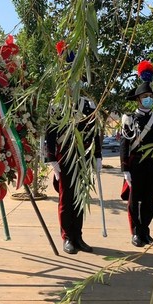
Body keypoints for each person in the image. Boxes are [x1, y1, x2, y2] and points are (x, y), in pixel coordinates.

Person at [45, 96, 103, 254]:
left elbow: (93, 131)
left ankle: (78, 236)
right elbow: (50, 132)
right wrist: (51, 158)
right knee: (66, 198)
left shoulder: (89, 104)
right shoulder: (57, 103)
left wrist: (97, 155)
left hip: (83, 157)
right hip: (65, 156)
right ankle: (67, 237)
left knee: (80, 198)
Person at [120, 61, 153, 247]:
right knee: (135, 201)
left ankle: (145, 231)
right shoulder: (129, 118)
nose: (149, 99)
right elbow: (125, 144)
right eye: (145, 97)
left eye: (150, 96)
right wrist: (125, 169)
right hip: (136, 164)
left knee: (149, 200)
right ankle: (136, 233)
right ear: (138, 99)